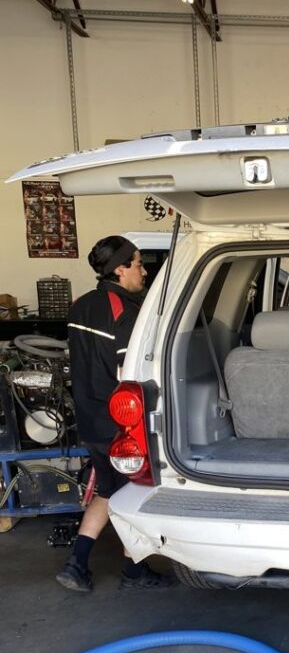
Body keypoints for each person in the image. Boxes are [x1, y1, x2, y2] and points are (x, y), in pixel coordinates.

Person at [56, 235, 176, 593]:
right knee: (132, 494)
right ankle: (133, 572)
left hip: (90, 418)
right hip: (121, 424)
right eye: (138, 264)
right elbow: (128, 373)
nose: (143, 270)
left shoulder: (80, 305)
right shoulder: (125, 311)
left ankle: (76, 564)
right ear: (120, 269)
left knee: (109, 490)